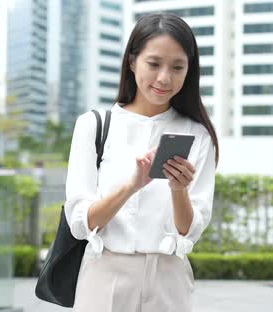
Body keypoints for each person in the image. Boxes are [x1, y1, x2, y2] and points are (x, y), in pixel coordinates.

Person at [64, 13, 219, 312]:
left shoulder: (198, 135)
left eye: (177, 67)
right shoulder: (94, 126)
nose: (164, 78)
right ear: (132, 62)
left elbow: (189, 232)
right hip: (105, 276)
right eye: (154, 63)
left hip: (168, 280)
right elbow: (81, 223)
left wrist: (178, 189)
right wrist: (132, 186)